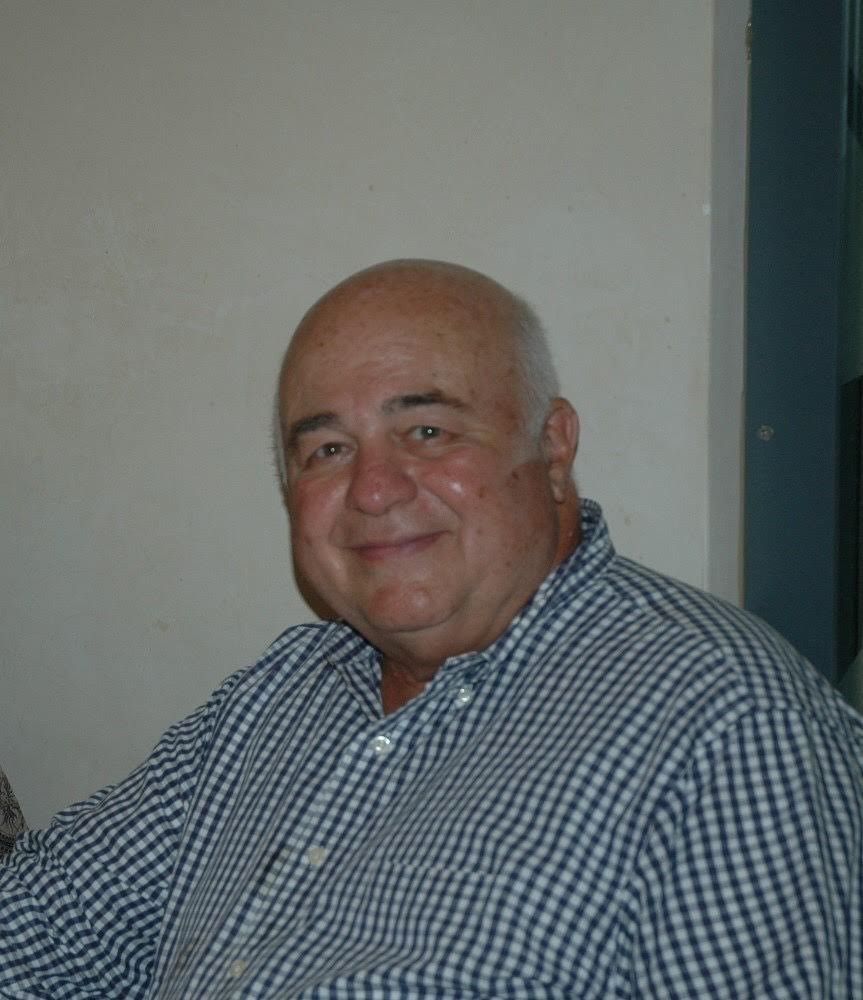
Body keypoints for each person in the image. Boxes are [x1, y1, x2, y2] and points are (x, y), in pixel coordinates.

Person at [1, 259, 861, 998]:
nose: (373, 489)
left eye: (426, 430)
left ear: (552, 447)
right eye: (327, 450)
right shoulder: (283, 694)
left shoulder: (727, 725)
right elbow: (37, 929)